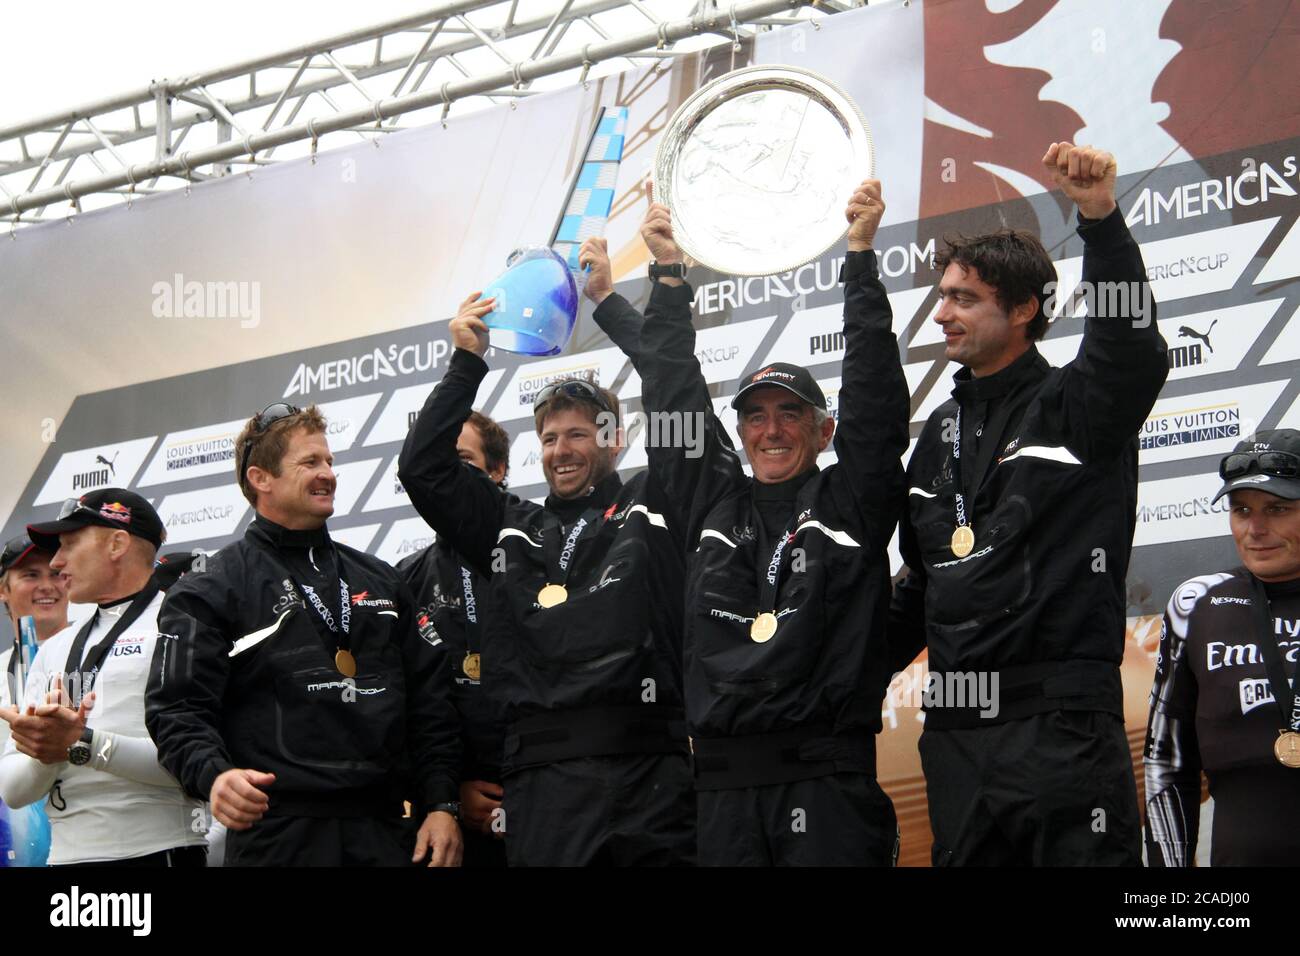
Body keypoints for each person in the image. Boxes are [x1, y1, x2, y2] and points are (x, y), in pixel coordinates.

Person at [576, 180, 909, 865]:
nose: (771, 429)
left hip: (827, 783)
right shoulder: (710, 500)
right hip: (724, 792)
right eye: (755, 415)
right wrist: (668, 277)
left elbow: (875, 394)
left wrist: (860, 258)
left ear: (824, 430)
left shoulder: (854, 499)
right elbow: (673, 388)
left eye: (790, 413)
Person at [890, 143, 1168, 865]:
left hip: (1060, 727)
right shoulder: (936, 438)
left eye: (963, 299)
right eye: (942, 295)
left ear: (1022, 311)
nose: (942, 314)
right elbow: (921, 588)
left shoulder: (1076, 406)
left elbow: (1130, 347)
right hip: (955, 735)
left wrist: (1100, 220)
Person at [398, 303, 695, 867]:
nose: (561, 450)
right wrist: (467, 362)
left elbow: (686, 418)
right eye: (550, 437)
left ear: (614, 441)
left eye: (579, 433)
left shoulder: (653, 499)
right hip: (544, 785)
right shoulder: (509, 524)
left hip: (650, 772)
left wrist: (613, 307)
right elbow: (421, 468)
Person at [145, 403, 463, 866]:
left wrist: (441, 804)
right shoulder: (212, 586)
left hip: (387, 833)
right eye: (310, 462)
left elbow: (431, 703)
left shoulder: (382, 580)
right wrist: (214, 776)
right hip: (277, 835)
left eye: (329, 461)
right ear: (261, 478)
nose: (327, 474)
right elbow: (177, 709)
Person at [0, 490, 207, 866]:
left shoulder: (183, 627)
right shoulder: (54, 649)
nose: (59, 563)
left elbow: (199, 764)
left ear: (117, 543)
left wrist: (81, 743)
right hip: (64, 861)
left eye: (69, 544)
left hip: (158, 850)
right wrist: (47, 755)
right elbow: (13, 791)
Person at [1145, 431, 1300, 866]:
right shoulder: (1197, 604)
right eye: (1241, 510)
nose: (1256, 528)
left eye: (1278, 509)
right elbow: (1167, 761)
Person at [397, 410, 511, 868]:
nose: (443, 474)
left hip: (548, 798)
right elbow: (408, 709)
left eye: (460, 459)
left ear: (497, 471)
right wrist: (447, 796)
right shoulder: (402, 582)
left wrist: (536, 787)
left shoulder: (543, 554)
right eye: (436, 461)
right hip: (450, 820)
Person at [1, 534, 70, 742]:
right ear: (3, 590)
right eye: (31, 575)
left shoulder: (98, 654)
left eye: (56, 574)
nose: (47, 586)